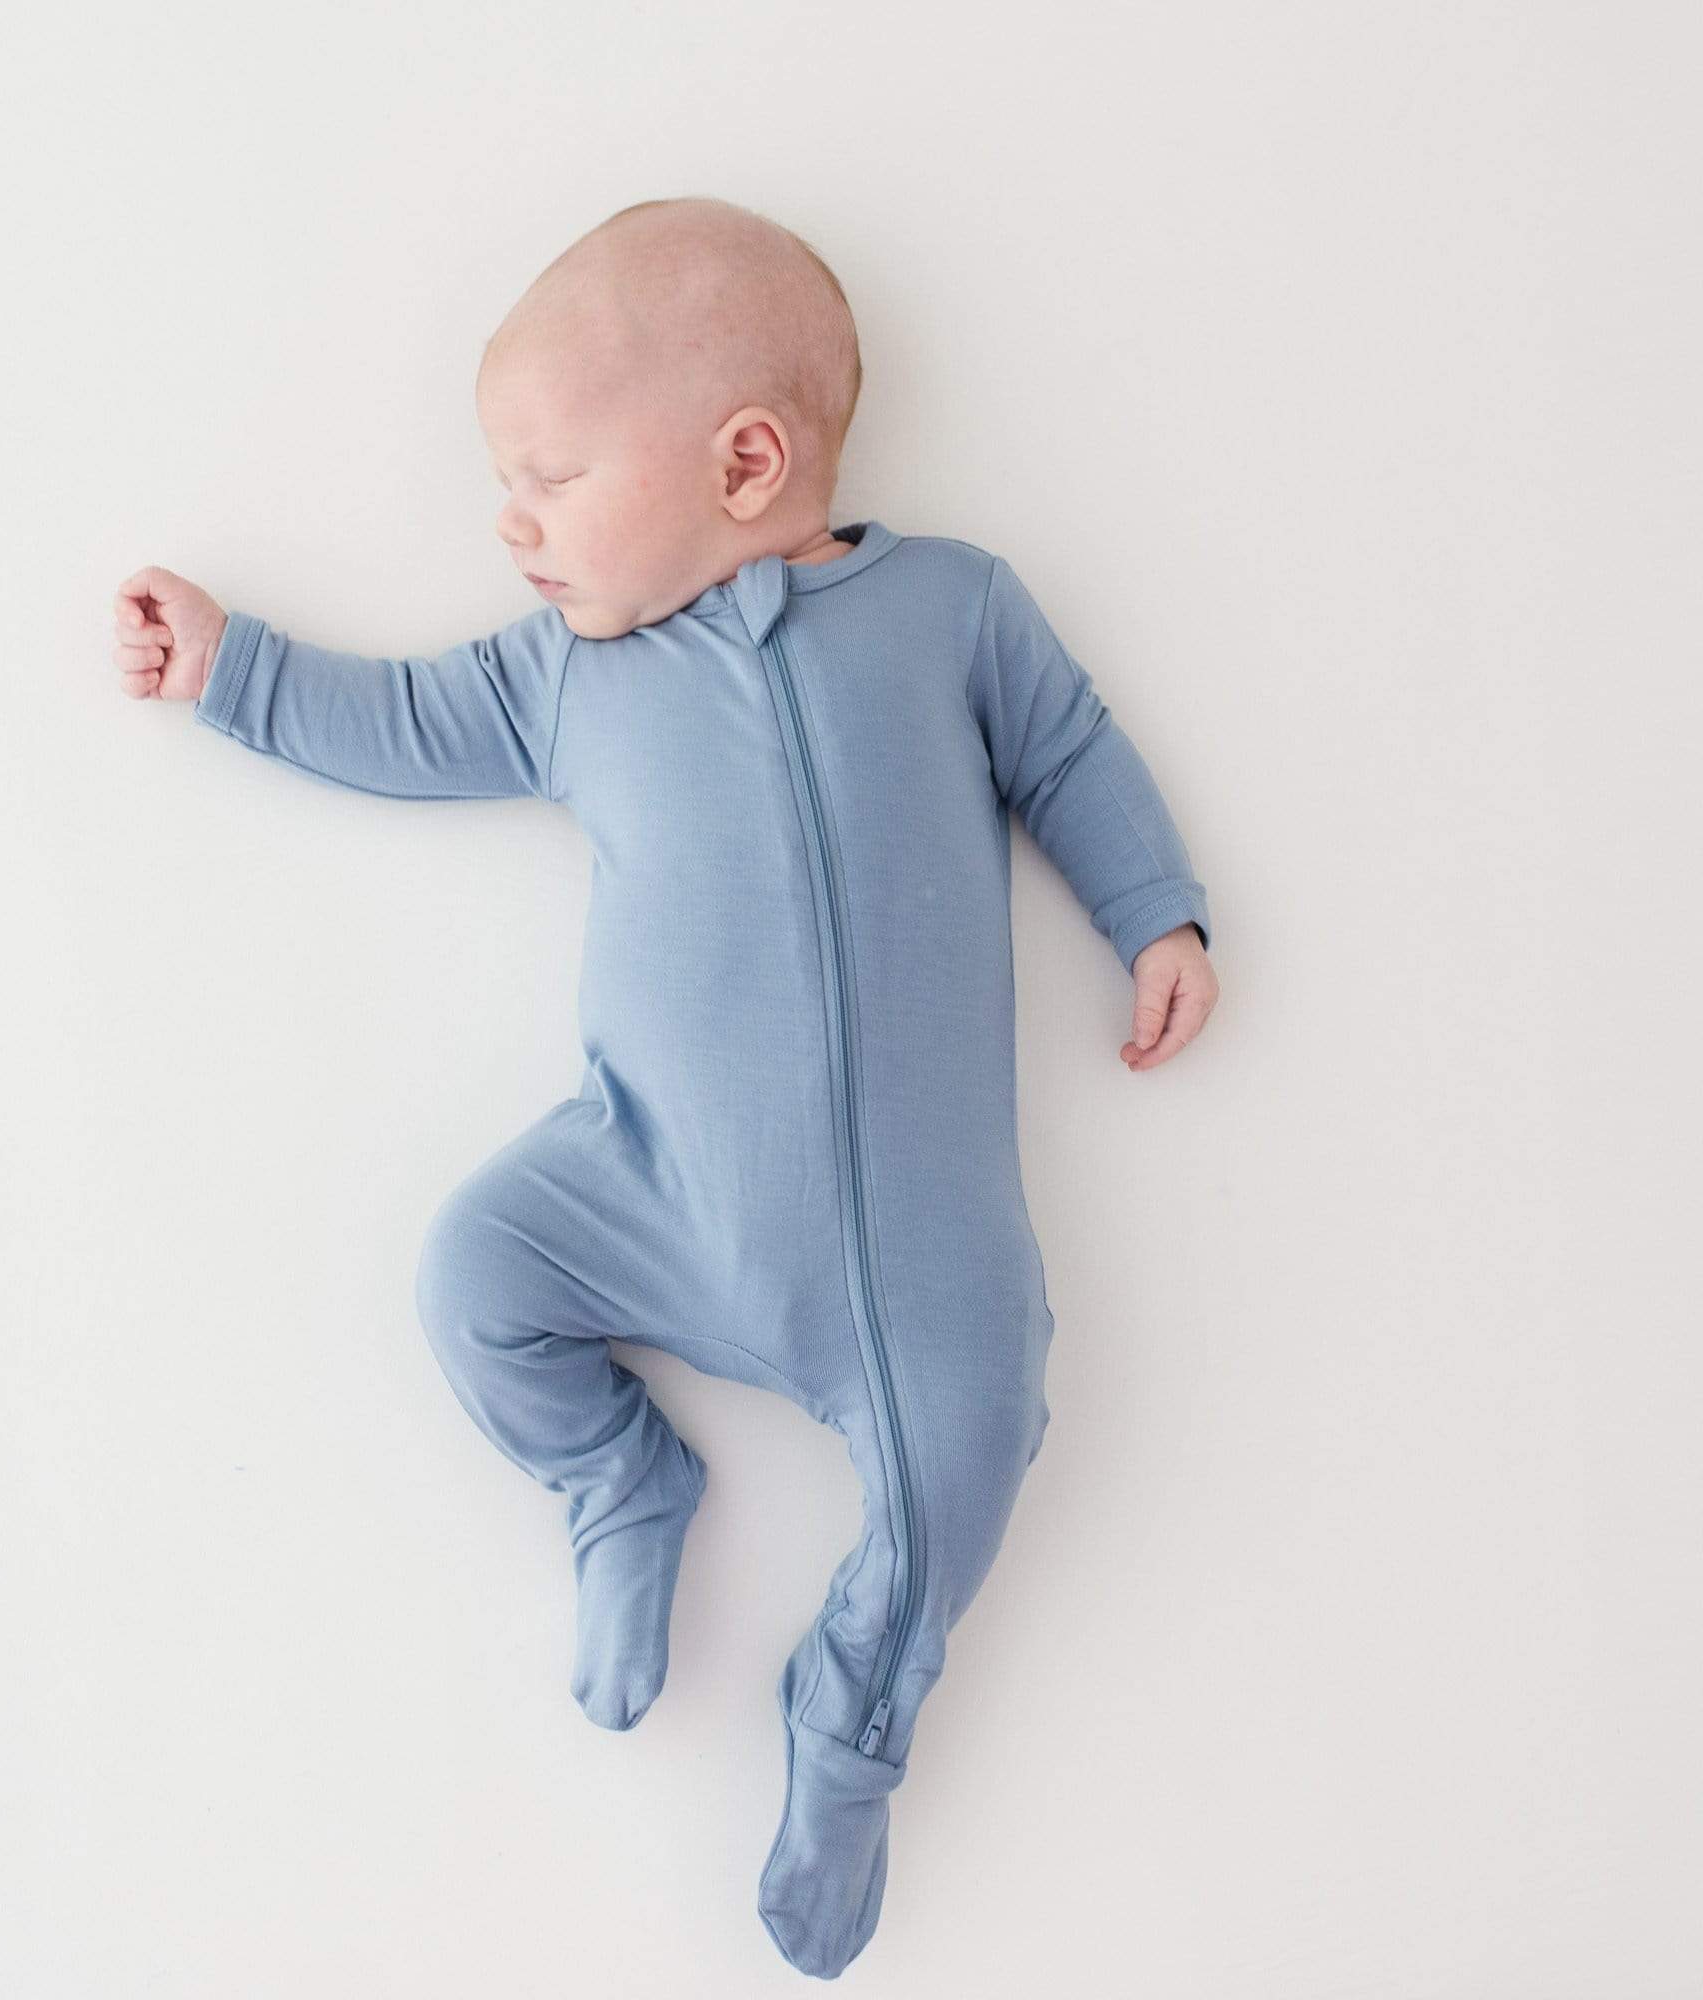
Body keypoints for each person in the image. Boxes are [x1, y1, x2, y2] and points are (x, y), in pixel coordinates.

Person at [111, 194, 1220, 1980]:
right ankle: (620, 1477)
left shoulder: (951, 610)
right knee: (469, 1273)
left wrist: (1153, 910)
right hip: (645, 1192)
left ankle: (853, 1720)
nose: (513, 523)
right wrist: (233, 667)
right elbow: (400, 723)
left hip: (918, 1263)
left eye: (550, 478)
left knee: (974, 1444)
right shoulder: (568, 674)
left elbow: (1071, 749)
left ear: (745, 461)